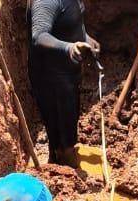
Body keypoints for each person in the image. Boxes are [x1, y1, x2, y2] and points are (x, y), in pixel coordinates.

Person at [28, 0, 99, 167]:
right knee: (62, 139)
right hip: (51, 78)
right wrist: (68, 47)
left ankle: (61, 159)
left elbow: (71, 22)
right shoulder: (47, 2)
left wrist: (86, 38)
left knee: (69, 123)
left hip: (67, 74)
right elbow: (39, 35)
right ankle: (66, 173)